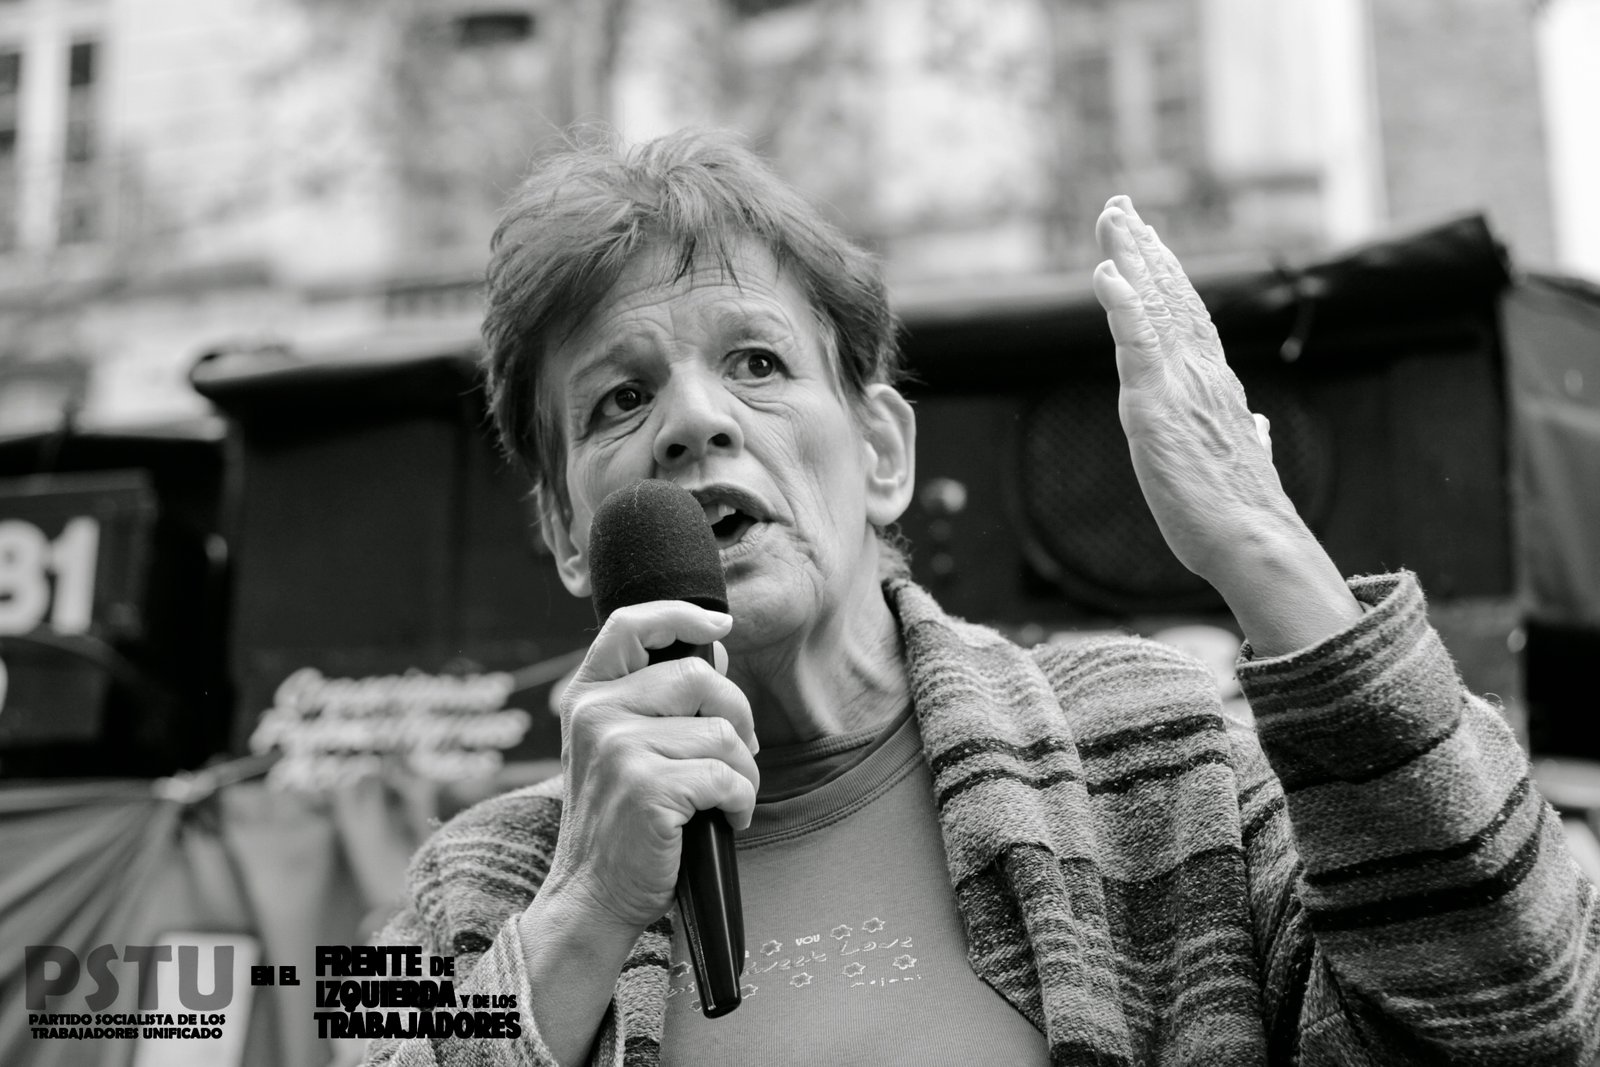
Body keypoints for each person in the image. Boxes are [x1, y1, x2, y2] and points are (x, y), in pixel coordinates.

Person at [364, 128, 1600, 1066]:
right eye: (619, 399)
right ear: (565, 531)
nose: (693, 419)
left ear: (882, 452)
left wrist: (1265, 546)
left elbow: (1529, 1014)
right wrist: (581, 909)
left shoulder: (1160, 750)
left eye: (756, 360)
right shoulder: (461, 880)